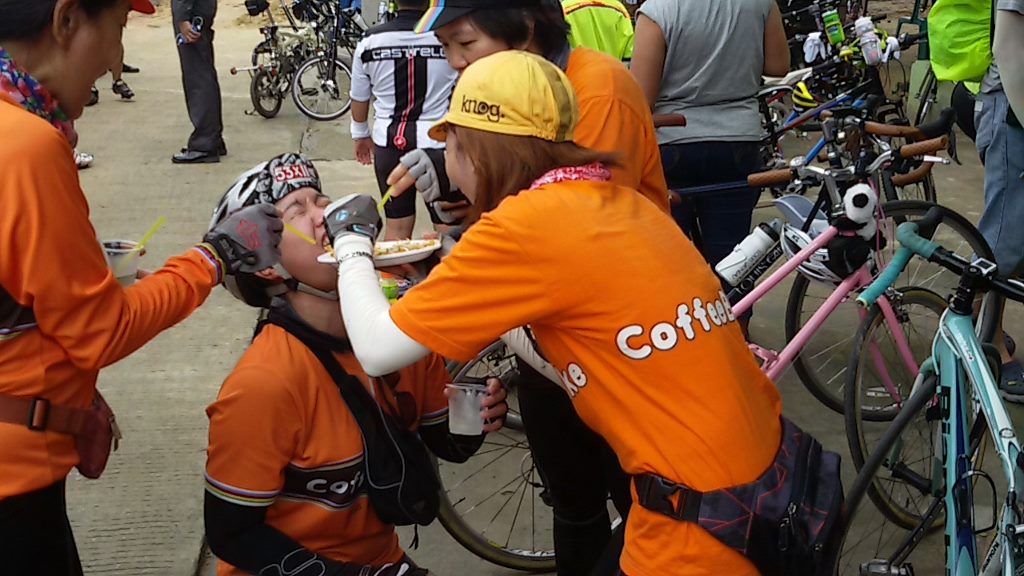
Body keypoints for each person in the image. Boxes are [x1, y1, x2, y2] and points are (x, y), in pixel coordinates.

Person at [323, 50, 784, 576]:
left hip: (696, 522)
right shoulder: (621, 201)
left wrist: (351, 242)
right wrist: (452, 271)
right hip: (762, 482)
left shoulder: (523, 226)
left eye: (448, 144)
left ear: (474, 149)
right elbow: (579, 345)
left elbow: (377, 347)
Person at [0, 1, 284, 573]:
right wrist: (212, 257)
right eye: (118, 30)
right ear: (66, 21)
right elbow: (100, 331)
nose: (116, 56)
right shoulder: (25, 147)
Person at [388, 2, 672, 573]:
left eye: (465, 43)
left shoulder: (596, 90)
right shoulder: (508, 88)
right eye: (445, 48)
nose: (455, 62)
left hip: (617, 345)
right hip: (545, 336)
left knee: (639, 503)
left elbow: (578, 228)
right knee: (571, 498)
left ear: (524, 27)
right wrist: (454, 178)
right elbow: (519, 195)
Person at [203, 153, 508, 576]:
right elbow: (231, 534)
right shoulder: (263, 383)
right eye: (297, 211)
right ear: (269, 267)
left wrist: (479, 413)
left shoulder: (394, 333)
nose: (325, 216)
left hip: (381, 561)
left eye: (321, 200)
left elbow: (448, 445)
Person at [630, 0, 789, 282]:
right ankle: (734, 309)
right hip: (738, 140)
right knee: (733, 262)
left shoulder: (658, 10)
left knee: (670, 258)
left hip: (674, 143)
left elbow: (642, 98)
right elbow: (778, 65)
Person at [349, 0, 463, 240]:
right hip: (439, 144)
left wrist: (360, 134)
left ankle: (396, 268)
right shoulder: (447, 37)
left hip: (389, 143)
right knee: (448, 227)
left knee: (397, 227)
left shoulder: (369, 41)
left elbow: (359, 96)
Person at [977, 0, 1024, 399]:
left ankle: (985, 321)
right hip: (1013, 111)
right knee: (1003, 240)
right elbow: (1008, 49)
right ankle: (987, 340)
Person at [172, 0, 226, 163]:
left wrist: (182, 17)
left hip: (193, 12)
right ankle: (213, 138)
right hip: (200, 9)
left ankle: (205, 143)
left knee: (197, 76)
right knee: (204, 72)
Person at [562, 0, 634, 63]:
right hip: (613, 72)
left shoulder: (563, 11)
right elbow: (628, 56)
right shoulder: (619, 10)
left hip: (577, 73)